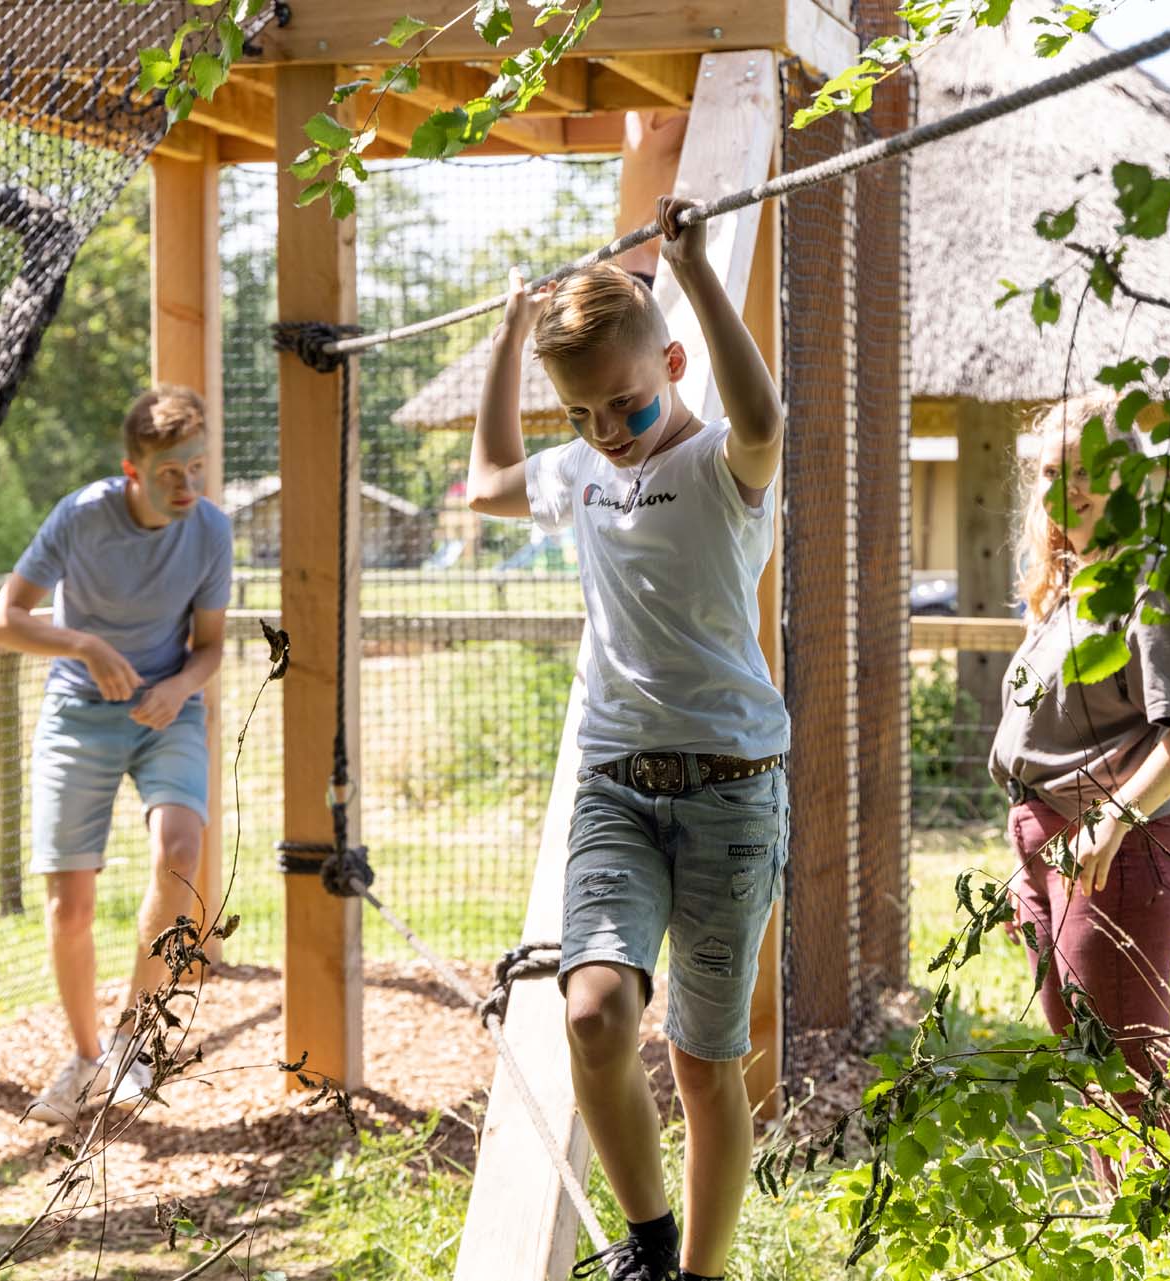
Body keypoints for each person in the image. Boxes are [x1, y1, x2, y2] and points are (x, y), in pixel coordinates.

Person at [467, 196, 790, 1281]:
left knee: (707, 1067)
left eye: (628, 405)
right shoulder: (587, 471)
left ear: (674, 364)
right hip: (613, 782)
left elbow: (763, 420)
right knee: (596, 1014)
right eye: (585, 415)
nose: (608, 431)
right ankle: (648, 1250)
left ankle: (701, 1273)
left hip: (731, 788)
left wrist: (694, 271)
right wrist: (514, 339)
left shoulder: (720, 473)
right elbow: (487, 484)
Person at [987, 398, 1170, 1187]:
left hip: (1118, 851)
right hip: (1047, 845)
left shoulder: (1156, 574)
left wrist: (1115, 820)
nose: (1070, 487)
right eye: (1056, 471)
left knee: (1130, 1073)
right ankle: (1122, 1224)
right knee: (1087, 1066)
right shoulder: (1067, 577)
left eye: (1089, 469)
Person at [0, 384, 230, 1125]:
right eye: (170, 473)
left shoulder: (211, 530)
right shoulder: (82, 516)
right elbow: (3, 620)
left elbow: (211, 648)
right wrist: (84, 644)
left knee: (181, 848)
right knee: (70, 903)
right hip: (78, 712)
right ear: (133, 469)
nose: (187, 486)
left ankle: (132, 1037)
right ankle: (85, 1057)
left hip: (167, 708)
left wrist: (179, 683)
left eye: (197, 468)